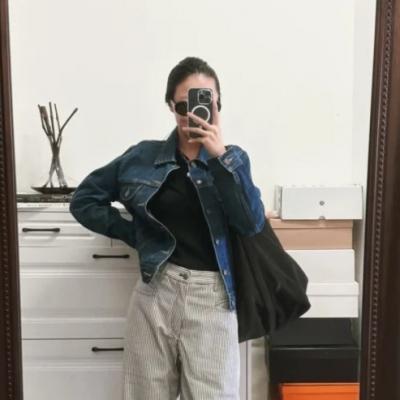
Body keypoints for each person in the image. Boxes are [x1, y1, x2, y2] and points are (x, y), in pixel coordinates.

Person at [69, 56, 266, 400]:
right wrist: (135, 234)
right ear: (170, 107)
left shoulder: (233, 160)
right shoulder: (142, 157)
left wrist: (220, 157)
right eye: (183, 105)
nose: (193, 114)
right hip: (155, 293)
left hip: (213, 299)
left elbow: (250, 223)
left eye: (205, 103)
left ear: (218, 106)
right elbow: (84, 200)